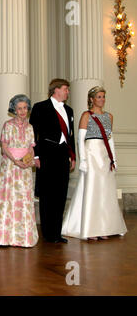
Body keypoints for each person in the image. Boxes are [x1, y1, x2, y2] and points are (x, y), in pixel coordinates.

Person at [62, 86, 127, 240]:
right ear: (91, 99)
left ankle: (104, 227)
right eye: (98, 97)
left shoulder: (109, 116)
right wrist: (83, 160)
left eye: (103, 96)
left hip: (104, 154)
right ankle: (90, 229)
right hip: (91, 153)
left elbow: (110, 139)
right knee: (92, 189)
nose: (102, 99)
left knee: (105, 190)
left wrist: (114, 159)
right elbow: (80, 139)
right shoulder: (86, 115)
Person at [29, 78, 76, 244]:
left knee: (61, 194)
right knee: (48, 195)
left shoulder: (69, 110)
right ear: (56, 90)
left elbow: (71, 136)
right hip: (47, 154)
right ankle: (48, 233)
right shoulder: (40, 107)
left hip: (63, 155)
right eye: (65, 89)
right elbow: (33, 133)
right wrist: (35, 155)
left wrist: (73, 155)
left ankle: (57, 232)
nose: (67, 92)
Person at [0, 94, 38, 247]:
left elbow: (31, 147)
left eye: (25, 108)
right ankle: (5, 236)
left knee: (24, 199)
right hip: (10, 167)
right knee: (9, 199)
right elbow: (4, 147)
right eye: (19, 108)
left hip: (24, 168)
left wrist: (28, 161)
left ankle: (24, 237)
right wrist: (15, 160)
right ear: (14, 110)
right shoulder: (8, 125)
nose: (23, 111)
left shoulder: (30, 127)